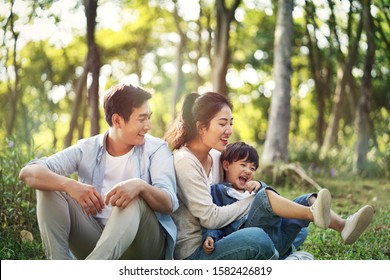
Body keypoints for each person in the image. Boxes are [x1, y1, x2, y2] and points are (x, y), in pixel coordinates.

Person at [19, 83, 178, 260]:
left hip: (143, 246)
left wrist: (140, 186)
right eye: (142, 119)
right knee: (50, 187)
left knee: (132, 197)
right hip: (96, 239)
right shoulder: (87, 149)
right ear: (117, 120)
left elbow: (169, 202)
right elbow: (28, 172)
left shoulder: (156, 149)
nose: (148, 125)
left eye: (149, 117)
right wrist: (69, 185)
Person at [202, 141, 374, 258]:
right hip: (251, 236)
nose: (248, 171)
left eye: (252, 168)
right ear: (226, 165)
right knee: (265, 197)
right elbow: (213, 218)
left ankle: (343, 226)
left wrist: (260, 184)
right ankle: (312, 217)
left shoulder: (255, 187)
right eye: (243, 165)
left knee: (307, 199)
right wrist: (211, 236)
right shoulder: (217, 191)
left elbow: (274, 199)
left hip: (275, 237)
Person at [164, 92, 279, 260]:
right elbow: (210, 218)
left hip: (225, 236)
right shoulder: (184, 161)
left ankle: (277, 254)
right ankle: (279, 258)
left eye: (231, 123)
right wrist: (254, 200)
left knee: (295, 227)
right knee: (257, 238)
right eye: (223, 124)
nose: (229, 130)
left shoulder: (218, 156)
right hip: (197, 252)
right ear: (201, 127)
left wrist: (257, 190)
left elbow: (236, 190)